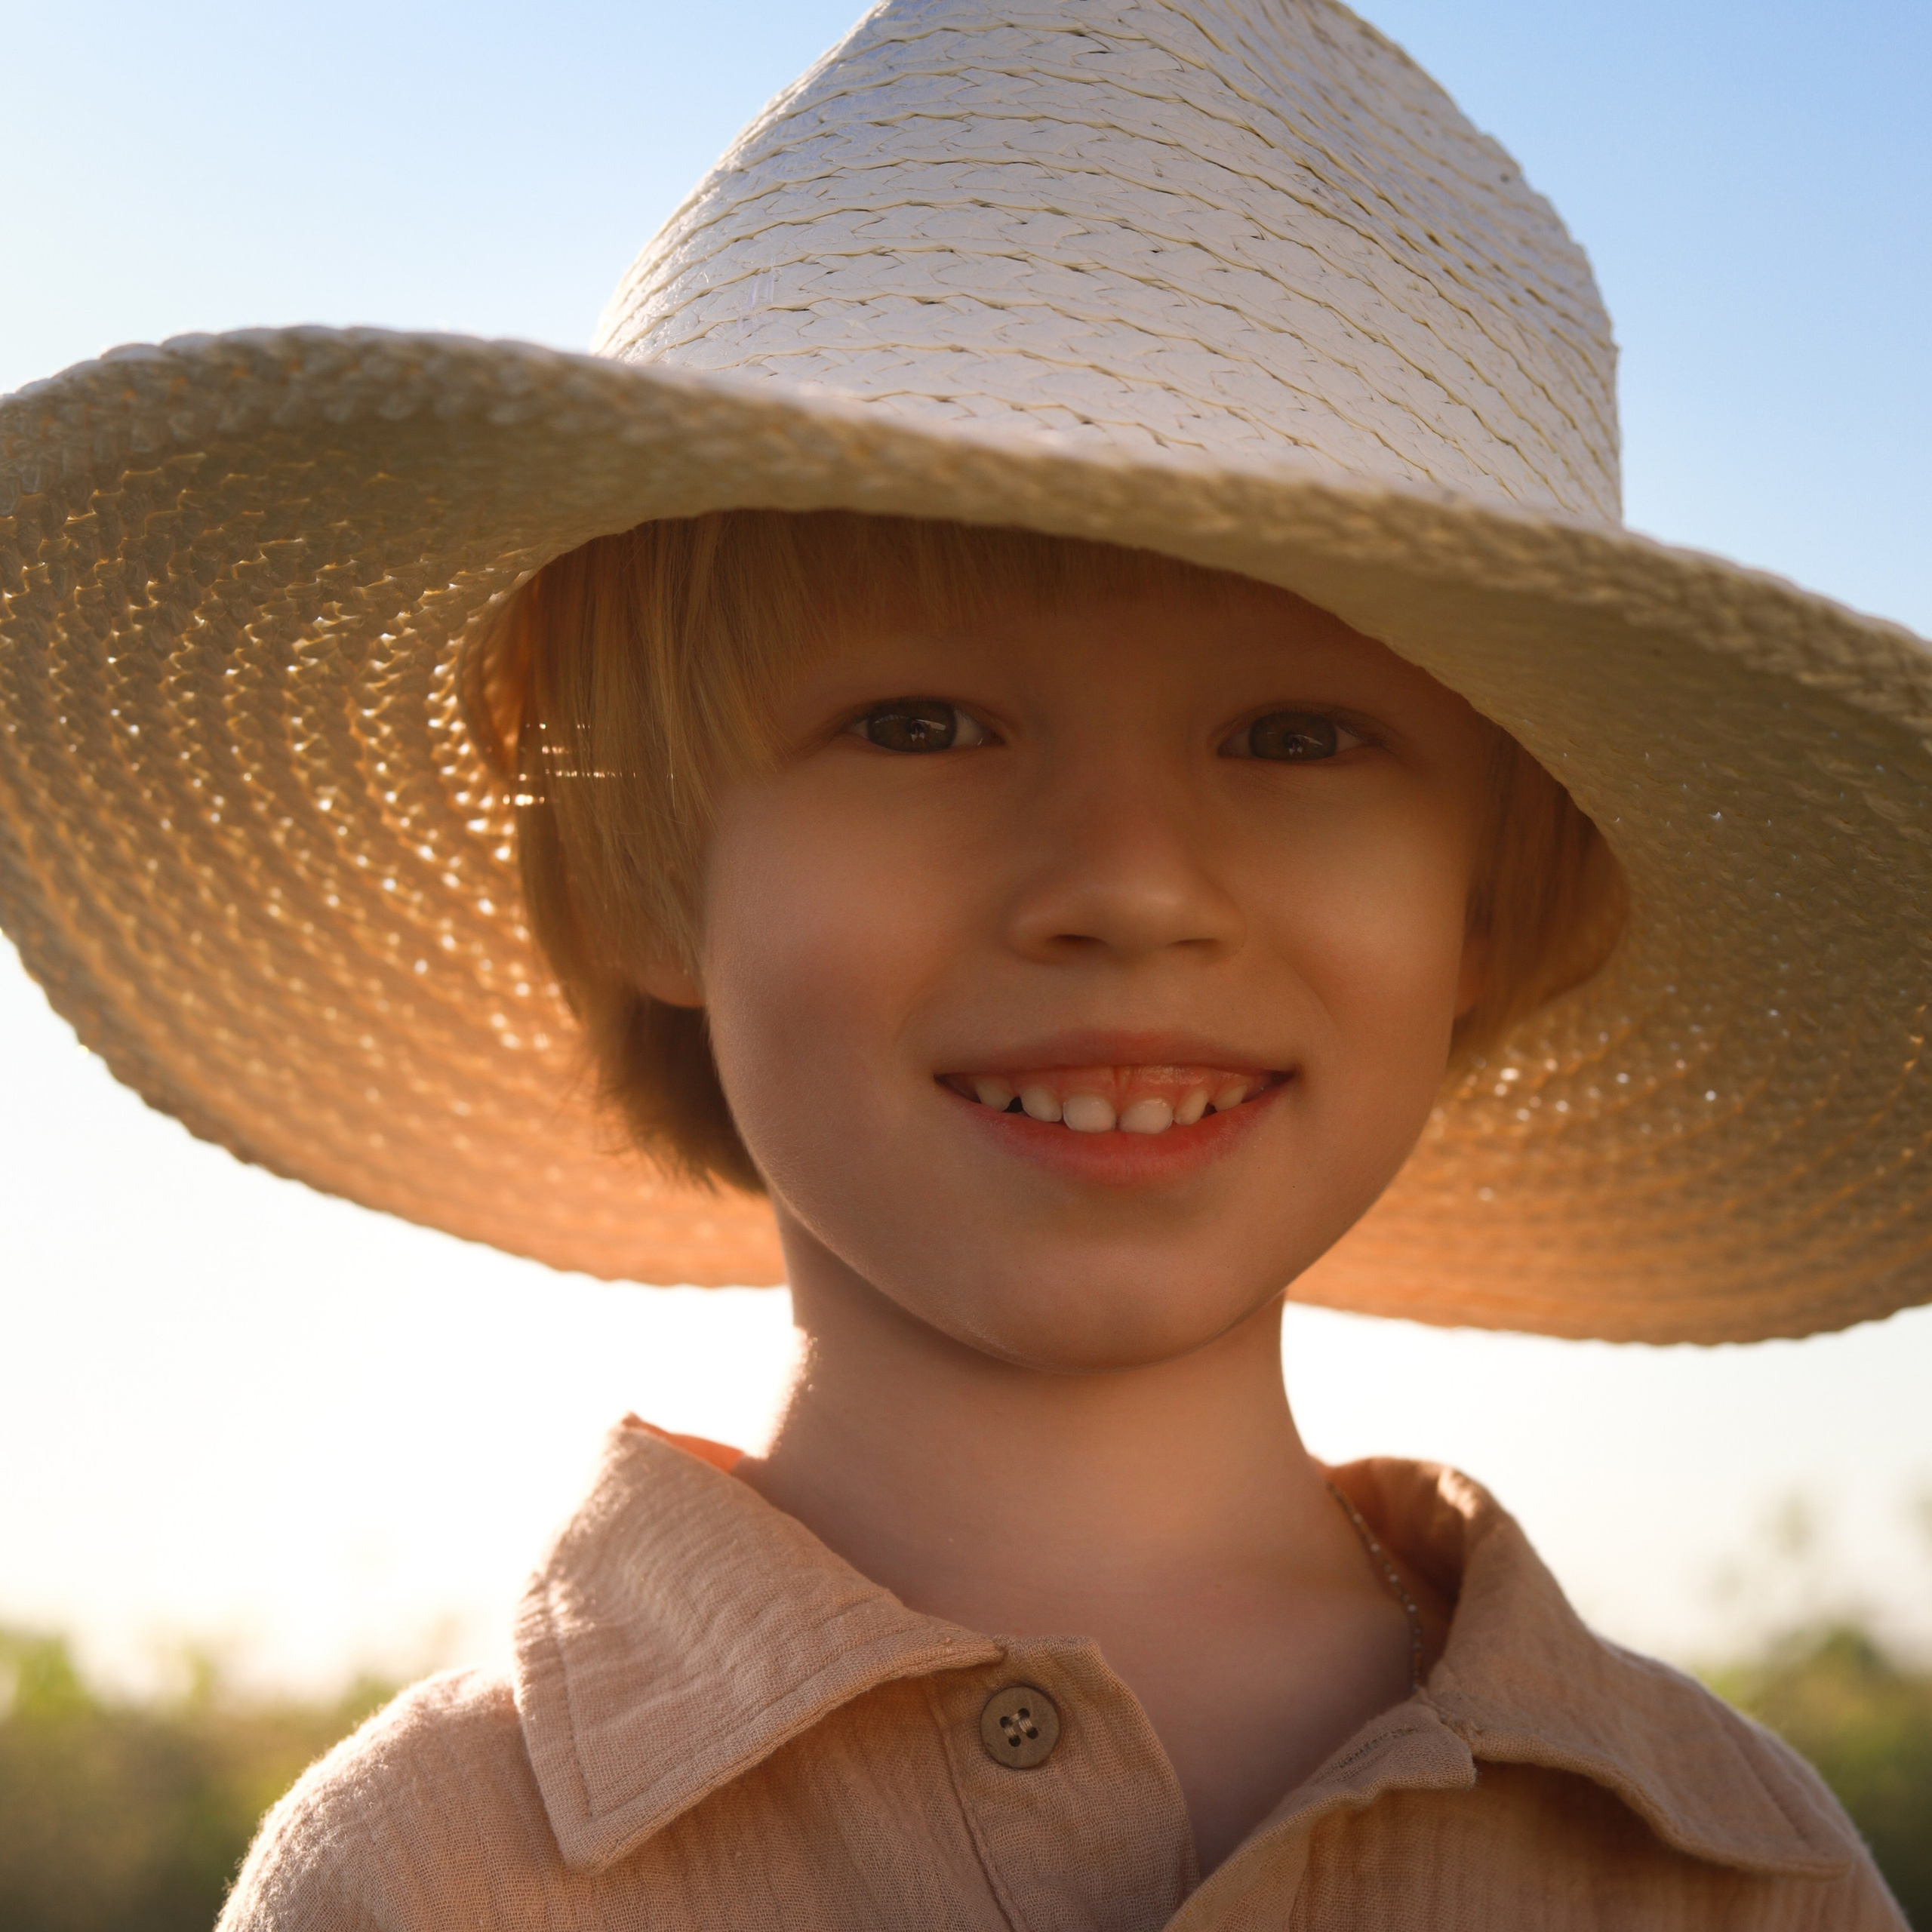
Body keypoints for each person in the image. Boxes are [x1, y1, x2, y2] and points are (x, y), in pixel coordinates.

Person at [0, 1, 1918, 1925]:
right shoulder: (432, 1874)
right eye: (917, 724)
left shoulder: (1719, 1867)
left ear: (1486, 908)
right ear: (645, 873)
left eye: (1297, 737)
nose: (1125, 882)